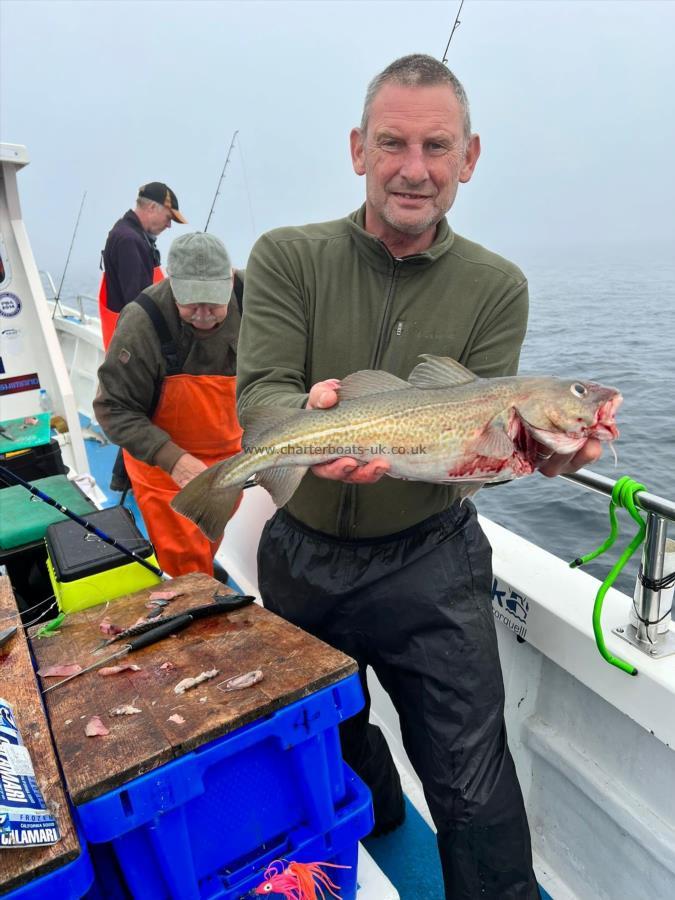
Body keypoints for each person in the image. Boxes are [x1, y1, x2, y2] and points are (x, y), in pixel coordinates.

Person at [235, 55, 602, 898]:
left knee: (472, 780)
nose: (413, 168)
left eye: (437, 147)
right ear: (358, 148)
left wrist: (535, 455)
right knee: (334, 733)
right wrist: (307, 412)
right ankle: (381, 825)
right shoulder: (288, 256)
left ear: (468, 158)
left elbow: (475, 450)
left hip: (429, 559)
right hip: (305, 552)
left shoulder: (495, 286)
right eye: (392, 143)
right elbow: (262, 394)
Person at [94, 231, 244, 579]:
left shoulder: (255, 295)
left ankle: (203, 572)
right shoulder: (141, 320)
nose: (204, 316)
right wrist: (174, 461)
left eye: (213, 303)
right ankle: (194, 598)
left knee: (210, 535)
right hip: (164, 465)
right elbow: (112, 407)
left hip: (230, 456)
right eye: (191, 303)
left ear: (231, 279)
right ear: (171, 283)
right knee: (185, 564)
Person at [99, 182, 187, 349]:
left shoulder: (126, 232)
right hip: (131, 345)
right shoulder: (130, 241)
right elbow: (139, 305)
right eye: (169, 218)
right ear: (152, 207)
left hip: (123, 341)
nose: (169, 225)